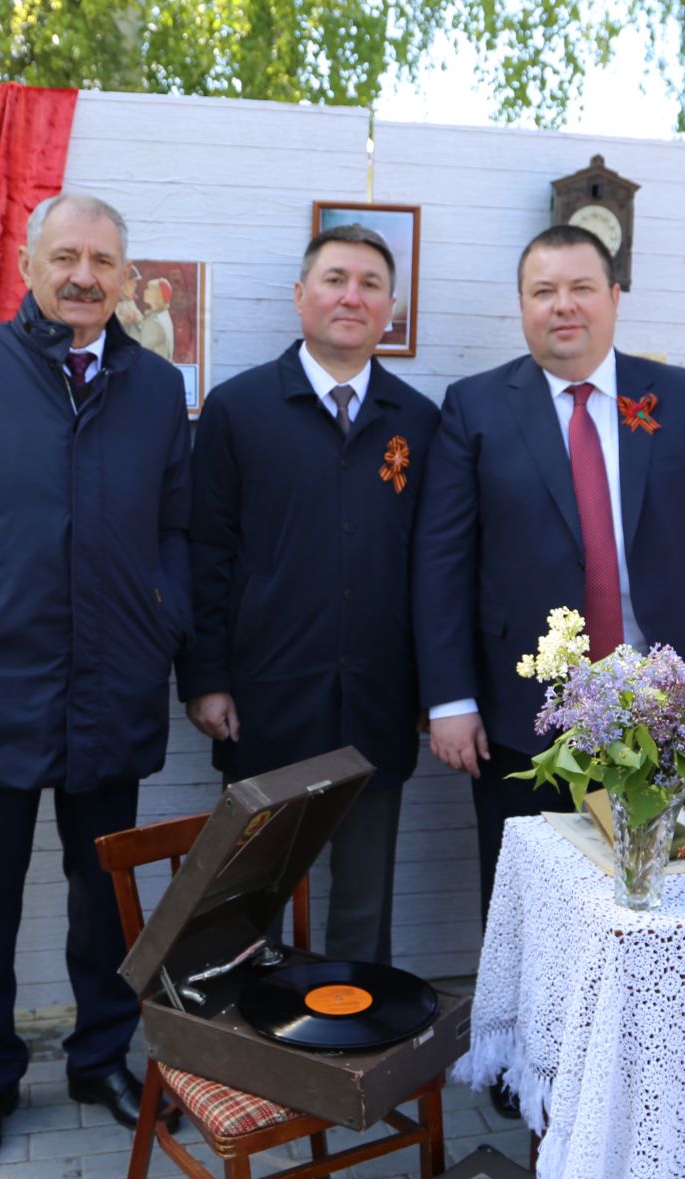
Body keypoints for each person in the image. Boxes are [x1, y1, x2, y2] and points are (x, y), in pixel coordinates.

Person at [412, 224, 685, 1110]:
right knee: (528, 893)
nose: (561, 305)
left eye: (579, 287)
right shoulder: (475, 406)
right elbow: (441, 562)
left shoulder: (679, 396)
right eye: (541, 291)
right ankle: (534, 1063)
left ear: (614, 297)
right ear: (522, 305)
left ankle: (650, 1062)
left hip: (665, 701)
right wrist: (449, 699)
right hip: (522, 708)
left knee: (661, 886)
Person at [0, 192, 192, 1172]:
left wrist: (163, 623)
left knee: (105, 897)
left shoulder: (155, 385)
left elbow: (176, 530)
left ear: (125, 274)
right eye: (65, 255)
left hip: (112, 686)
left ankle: (103, 1055)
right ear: (27, 263)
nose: (83, 276)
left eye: (102, 258)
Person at [180, 225, 439, 966]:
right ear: (301, 296)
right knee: (247, 902)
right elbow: (208, 554)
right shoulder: (238, 409)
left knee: (363, 906)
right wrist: (205, 678)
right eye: (334, 279)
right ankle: (246, 1057)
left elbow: (433, 565)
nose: (350, 296)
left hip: (379, 704)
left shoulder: (418, 422)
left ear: (391, 307)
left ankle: (350, 1062)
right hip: (264, 702)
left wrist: (435, 689)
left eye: (369, 284)